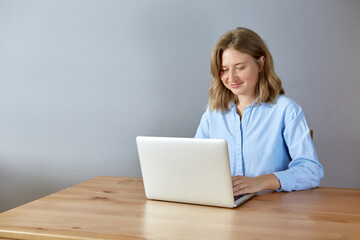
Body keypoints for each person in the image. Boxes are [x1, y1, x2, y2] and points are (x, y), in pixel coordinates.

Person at [195, 27, 324, 196]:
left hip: (272, 212)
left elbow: (311, 170)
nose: (231, 78)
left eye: (240, 67)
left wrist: (261, 181)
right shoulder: (213, 114)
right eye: (224, 70)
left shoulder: (286, 110)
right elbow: (196, 163)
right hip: (225, 208)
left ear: (260, 63)